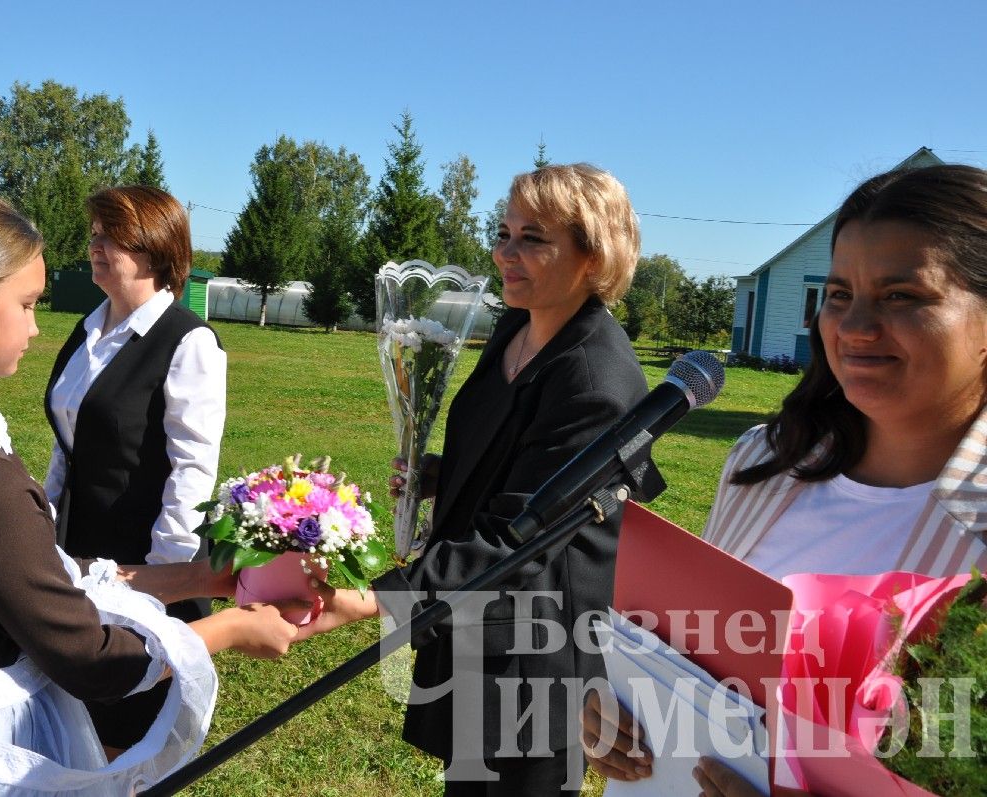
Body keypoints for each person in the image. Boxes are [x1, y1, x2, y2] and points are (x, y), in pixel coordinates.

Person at [0, 185, 304, 795]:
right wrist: (228, 632)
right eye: (25, 304)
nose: (36, 328)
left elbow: (41, 565)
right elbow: (90, 656)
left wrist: (192, 579)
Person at [581, 163, 987, 796]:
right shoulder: (761, 464)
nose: (853, 328)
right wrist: (620, 697)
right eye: (839, 294)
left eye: (902, 295)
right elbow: (691, 665)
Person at [311, 163, 649, 795]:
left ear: (592, 256)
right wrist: (445, 474)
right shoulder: (518, 328)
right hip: (479, 621)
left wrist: (367, 602)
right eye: (504, 232)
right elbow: (510, 450)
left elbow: (519, 537)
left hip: (539, 651)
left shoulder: (597, 380)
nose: (505, 253)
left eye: (533, 239)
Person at [43, 184, 226, 753]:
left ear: (155, 248)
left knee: (128, 727)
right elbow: (66, 441)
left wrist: (162, 579)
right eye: (95, 235)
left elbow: (192, 467)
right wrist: (43, 523)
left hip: (141, 554)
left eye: (113, 237)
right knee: (78, 716)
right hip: (78, 544)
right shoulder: (86, 329)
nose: (97, 246)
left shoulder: (186, 340)